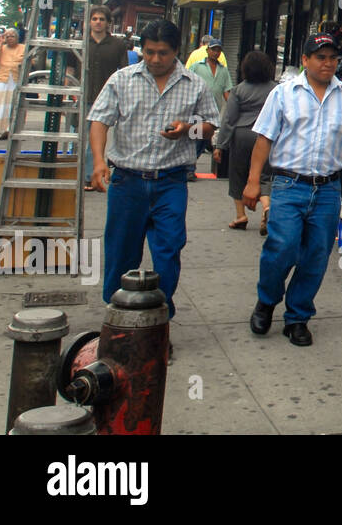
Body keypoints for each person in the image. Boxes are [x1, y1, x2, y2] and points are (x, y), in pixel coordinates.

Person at [86, 20, 220, 349]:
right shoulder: (122, 80)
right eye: (149, 52)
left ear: (177, 52)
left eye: (163, 53)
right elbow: (100, 120)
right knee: (120, 253)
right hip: (127, 182)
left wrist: (186, 129)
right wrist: (100, 162)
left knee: (168, 250)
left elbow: (210, 127)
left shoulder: (194, 84)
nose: (155, 59)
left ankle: (159, 325)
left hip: (170, 183)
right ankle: (117, 322)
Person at [243, 33, 342, 347]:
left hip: (327, 188)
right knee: (282, 248)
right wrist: (252, 181)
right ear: (305, 60)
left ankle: (298, 317)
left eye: (332, 58)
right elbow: (264, 139)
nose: (327, 63)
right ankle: (267, 300)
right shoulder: (284, 94)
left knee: (316, 255)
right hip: (289, 185)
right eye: (320, 57)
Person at [212, 50, 277, 232]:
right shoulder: (276, 89)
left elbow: (229, 120)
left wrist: (220, 145)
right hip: (266, 137)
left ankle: (241, 216)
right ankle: (266, 207)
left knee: (238, 174)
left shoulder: (238, 90)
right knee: (264, 175)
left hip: (241, 136)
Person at [81, 6, 132, 190]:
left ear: (108, 23)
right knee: (78, 138)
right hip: (82, 97)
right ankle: (79, 174)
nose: (97, 22)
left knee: (94, 139)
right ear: (89, 21)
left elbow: (124, 72)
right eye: (94, 19)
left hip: (105, 99)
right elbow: (70, 70)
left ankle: (89, 178)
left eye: (101, 19)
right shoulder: (82, 43)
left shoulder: (118, 45)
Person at [188, 39, 232, 181]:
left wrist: (232, 107)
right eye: (213, 49)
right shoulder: (196, 67)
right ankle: (189, 168)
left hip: (213, 112)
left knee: (204, 139)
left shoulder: (223, 71)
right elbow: (186, 84)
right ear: (207, 51)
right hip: (196, 109)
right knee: (195, 138)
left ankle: (189, 165)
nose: (216, 52)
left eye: (218, 50)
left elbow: (226, 91)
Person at [0, 27, 27, 140]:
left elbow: (27, 60)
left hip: (15, 79)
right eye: (7, 36)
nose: (9, 38)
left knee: (14, 105)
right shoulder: (2, 48)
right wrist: (1, 43)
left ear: (17, 38)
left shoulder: (23, 48)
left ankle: (12, 130)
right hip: (2, 79)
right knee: (0, 106)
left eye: (12, 36)